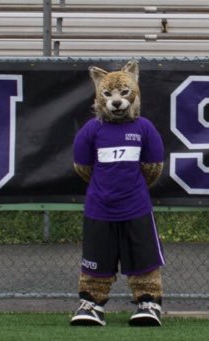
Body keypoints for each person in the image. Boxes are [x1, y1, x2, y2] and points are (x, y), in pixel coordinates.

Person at [70, 60, 166, 327]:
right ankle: (91, 303)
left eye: (123, 94)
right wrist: (106, 187)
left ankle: (148, 302)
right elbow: (83, 167)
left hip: (137, 209)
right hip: (99, 209)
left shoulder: (144, 128)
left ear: (134, 92)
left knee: (144, 259)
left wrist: (130, 188)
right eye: (108, 95)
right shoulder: (92, 129)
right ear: (99, 96)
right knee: (95, 261)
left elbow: (153, 168)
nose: (116, 101)